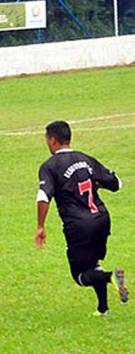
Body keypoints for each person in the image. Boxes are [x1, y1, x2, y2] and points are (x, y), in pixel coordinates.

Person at [35, 120, 128, 316]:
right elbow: (117, 184)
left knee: (80, 275)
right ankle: (103, 309)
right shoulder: (87, 159)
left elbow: (43, 196)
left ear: (52, 140)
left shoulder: (49, 166)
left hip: (79, 225)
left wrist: (40, 227)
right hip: (102, 219)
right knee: (93, 263)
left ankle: (111, 276)